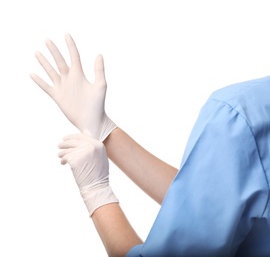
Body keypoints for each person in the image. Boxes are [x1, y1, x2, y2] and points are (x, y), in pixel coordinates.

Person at [31, 34, 270, 256]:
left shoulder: (237, 114)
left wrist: (97, 192)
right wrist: (106, 131)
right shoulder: (249, 115)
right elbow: (215, 204)